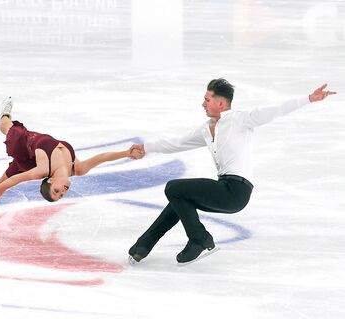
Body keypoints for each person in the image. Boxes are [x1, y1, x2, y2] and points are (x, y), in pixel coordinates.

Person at [127, 79, 337, 264]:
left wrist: (309, 98)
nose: (203, 104)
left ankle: (199, 238)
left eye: (207, 100)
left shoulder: (241, 119)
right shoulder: (207, 129)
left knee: (174, 188)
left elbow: (276, 110)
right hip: (224, 188)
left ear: (220, 103)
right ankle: (142, 246)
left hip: (236, 191)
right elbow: (177, 143)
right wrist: (146, 147)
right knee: (179, 199)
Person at [0, 97, 139, 226]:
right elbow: (101, 158)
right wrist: (126, 153)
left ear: (50, 181)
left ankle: (2, 116)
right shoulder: (77, 168)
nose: (63, 192)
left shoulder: (43, 170)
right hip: (30, 157)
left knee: (7, 127)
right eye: (61, 194)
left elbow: (13, 181)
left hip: (24, 146)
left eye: (56, 191)